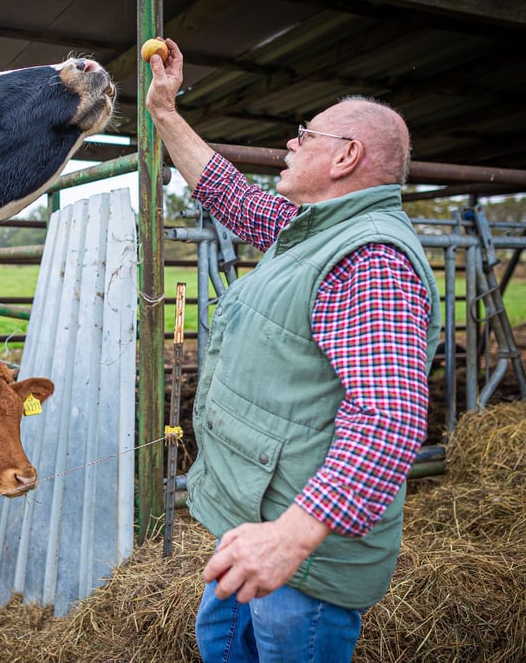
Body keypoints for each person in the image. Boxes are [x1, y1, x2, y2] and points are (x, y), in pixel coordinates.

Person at [145, 37, 442, 661]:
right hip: (259, 519)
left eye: (305, 134)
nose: (290, 141)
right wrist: (165, 112)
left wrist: (289, 538)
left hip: (300, 555)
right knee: (223, 643)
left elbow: (389, 418)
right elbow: (230, 194)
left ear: (346, 156)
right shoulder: (314, 232)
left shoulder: (372, 258)